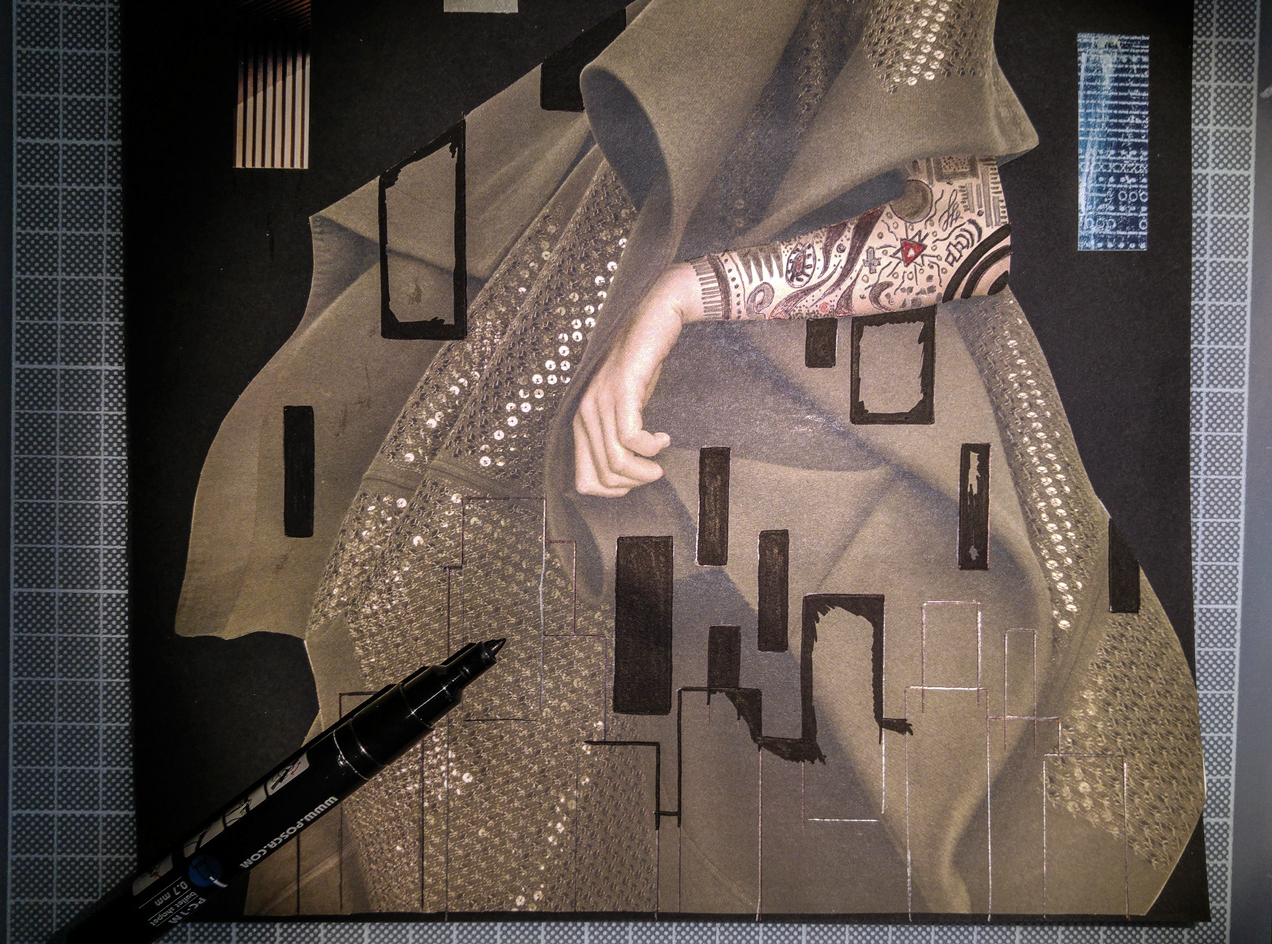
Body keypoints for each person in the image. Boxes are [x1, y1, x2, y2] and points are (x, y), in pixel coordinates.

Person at [175, 0, 1203, 917]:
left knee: (798, 774)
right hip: (594, 328)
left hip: (812, 394)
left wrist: (681, 299)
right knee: (445, 663)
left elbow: (959, 232)